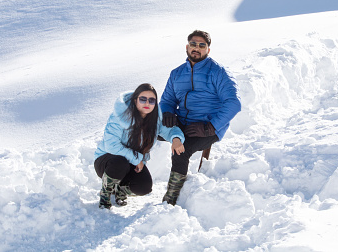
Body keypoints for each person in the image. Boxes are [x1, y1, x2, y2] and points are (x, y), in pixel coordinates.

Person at [160, 30, 241, 205]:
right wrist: (167, 112)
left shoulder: (218, 72)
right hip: (182, 122)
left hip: (207, 127)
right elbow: (167, 100)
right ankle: (125, 180)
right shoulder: (176, 73)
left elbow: (234, 103)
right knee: (143, 131)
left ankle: (171, 198)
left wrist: (210, 126)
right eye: (193, 44)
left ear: (208, 50)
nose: (197, 48)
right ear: (187, 47)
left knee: (181, 151)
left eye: (202, 45)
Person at [94, 83, 185, 209]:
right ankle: (105, 194)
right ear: (135, 100)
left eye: (151, 100)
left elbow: (169, 130)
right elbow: (111, 146)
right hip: (107, 161)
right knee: (120, 162)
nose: (147, 103)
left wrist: (176, 139)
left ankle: (120, 190)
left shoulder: (154, 119)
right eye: (143, 99)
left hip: (133, 163)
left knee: (144, 187)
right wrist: (137, 159)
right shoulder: (119, 116)